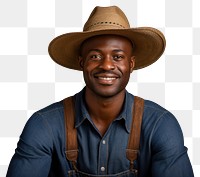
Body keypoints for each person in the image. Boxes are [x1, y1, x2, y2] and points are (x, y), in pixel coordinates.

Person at [7, 6, 194, 177]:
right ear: (82, 63)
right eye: (95, 56)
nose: (106, 65)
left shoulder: (160, 125)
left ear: (131, 64)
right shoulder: (44, 125)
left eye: (118, 56)